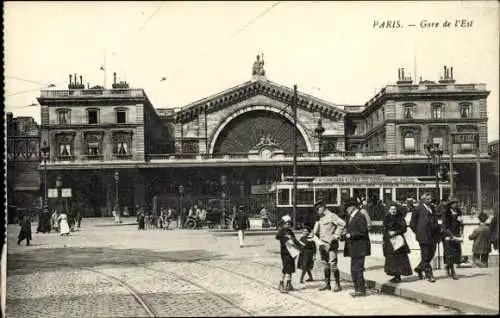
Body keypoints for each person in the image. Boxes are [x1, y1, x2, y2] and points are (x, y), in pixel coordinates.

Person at [312, 200, 346, 292]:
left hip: (331, 245)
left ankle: (337, 285)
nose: (317, 211)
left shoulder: (332, 216)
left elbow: (342, 224)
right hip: (322, 245)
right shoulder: (321, 218)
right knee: (325, 264)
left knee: (333, 264)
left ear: (323, 207)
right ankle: (327, 284)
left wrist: (336, 235)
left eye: (318, 208)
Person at [342, 197, 371, 297]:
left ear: (352, 207)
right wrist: (344, 235)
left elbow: (363, 231)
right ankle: (357, 289)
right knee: (354, 269)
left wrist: (350, 235)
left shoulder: (360, 216)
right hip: (354, 248)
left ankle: (361, 290)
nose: (346, 209)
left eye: (347, 207)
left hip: (360, 248)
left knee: (358, 269)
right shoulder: (352, 217)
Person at [409, 192, 441, 283]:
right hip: (423, 236)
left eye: (430, 199)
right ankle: (429, 274)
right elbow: (412, 224)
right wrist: (418, 232)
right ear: (422, 199)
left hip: (433, 235)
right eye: (427, 199)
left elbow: (434, 219)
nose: (430, 200)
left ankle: (419, 268)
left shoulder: (432, 208)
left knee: (431, 254)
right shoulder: (418, 208)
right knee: (426, 255)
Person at [382, 203, 412, 283]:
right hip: (389, 241)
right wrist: (385, 238)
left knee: (398, 259)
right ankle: (395, 275)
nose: (393, 211)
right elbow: (384, 229)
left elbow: (404, 228)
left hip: (398, 241)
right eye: (391, 209)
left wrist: (395, 232)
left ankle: (398, 276)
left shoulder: (400, 218)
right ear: (389, 210)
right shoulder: (386, 218)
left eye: (394, 209)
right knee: (391, 259)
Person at [275, 215, 300, 293]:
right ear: (283, 224)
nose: (288, 225)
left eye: (289, 224)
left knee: (291, 268)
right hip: (285, 252)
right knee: (286, 267)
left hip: (292, 252)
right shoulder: (281, 231)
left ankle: (289, 283)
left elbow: (295, 239)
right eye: (286, 223)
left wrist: (298, 244)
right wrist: (286, 237)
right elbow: (278, 237)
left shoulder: (290, 231)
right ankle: (281, 283)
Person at [442, 197, 464, 280]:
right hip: (449, 235)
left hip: (457, 235)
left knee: (456, 254)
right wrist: (451, 236)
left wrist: (461, 233)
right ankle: (453, 272)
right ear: (450, 204)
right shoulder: (446, 213)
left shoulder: (458, 212)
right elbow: (445, 227)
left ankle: (448, 266)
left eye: (456, 203)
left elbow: (461, 224)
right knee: (450, 254)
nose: (455, 204)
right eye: (453, 203)